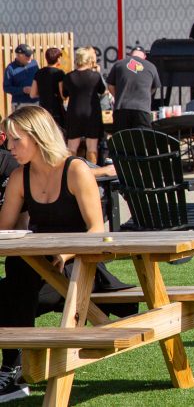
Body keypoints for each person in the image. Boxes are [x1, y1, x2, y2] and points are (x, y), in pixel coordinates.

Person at [0, 106, 107, 402]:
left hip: (78, 269)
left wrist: (68, 252)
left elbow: (97, 229)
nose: (9, 147)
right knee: (16, 277)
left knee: (14, 290)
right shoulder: (20, 177)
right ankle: (13, 371)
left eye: (15, 140)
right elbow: (4, 227)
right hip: (36, 268)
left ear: (37, 137)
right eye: (8, 140)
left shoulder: (75, 170)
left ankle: (11, 370)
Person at [64, 47, 107, 164]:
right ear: (89, 60)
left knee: (72, 146)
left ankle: (69, 171)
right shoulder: (95, 76)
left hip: (74, 112)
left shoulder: (69, 77)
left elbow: (64, 94)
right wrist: (97, 71)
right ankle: (92, 174)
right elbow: (102, 90)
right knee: (92, 147)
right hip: (91, 112)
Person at [107, 48, 161, 132]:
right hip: (142, 109)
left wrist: (118, 97)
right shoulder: (151, 66)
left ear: (131, 54)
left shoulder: (118, 64)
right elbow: (154, 87)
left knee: (122, 141)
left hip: (122, 108)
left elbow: (110, 85)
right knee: (142, 140)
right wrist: (145, 95)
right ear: (144, 56)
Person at [29, 48, 66, 132]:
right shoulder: (59, 73)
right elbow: (62, 95)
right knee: (58, 133)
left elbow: (32, 94)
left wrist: (43, 93)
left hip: (43, 108)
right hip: (57, 109)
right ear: (58, 58)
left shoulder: (39, 73)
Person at [3, 45, 38, 110]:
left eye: (30, 55)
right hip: (20, 104)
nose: (29, 57)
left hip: (36, 102)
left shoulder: (34, 63)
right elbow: (6, 88)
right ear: (18, 56)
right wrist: (23, 90)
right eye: (27, 56)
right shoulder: (10, 69)